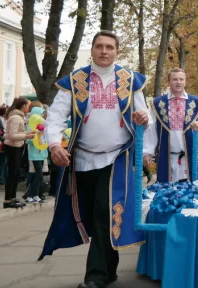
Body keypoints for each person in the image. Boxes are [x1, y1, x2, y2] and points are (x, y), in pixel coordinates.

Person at [40, 31, 150, 288]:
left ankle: (95, 277)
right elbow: (55, 118)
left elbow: (144, 112)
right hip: (81, 160)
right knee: (93, 215)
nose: (104, 51)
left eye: (109, 47)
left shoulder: (130, 80)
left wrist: (144, 118)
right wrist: (55, 144)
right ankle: (108, 270)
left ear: (116, 52)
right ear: (92, 49)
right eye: (99, 46)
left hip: (117, 158)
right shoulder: (75, 81)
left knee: (104, 212)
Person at [144, 68, 198, 183]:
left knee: (193, 194)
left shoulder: (196, 103)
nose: (178, 82)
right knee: (167, 195)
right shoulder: (157, 103)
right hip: (167, 158)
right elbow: (151, 130)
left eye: (181, 79)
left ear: (185, 81)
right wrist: (147, 152)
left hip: (191, 157)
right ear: (169, 82)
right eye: (174, 79)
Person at [3, 97, 32, 208]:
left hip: (17, 146)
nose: (28, 108)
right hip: (12, 147)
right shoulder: (15, 117)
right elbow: (12, 135)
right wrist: (26, 136)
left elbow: (18, 132)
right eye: (27, 105)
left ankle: (13, 198)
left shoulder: (19, 117)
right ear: (23, 106)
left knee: (16, 174)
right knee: (12, 173)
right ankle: (8, 199)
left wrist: (28, 133)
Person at [25, 105, 48, 203]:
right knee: (38, 174)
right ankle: (30, 195)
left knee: (39, 175)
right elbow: (28, 140)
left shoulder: (42, 125)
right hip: (34, 153)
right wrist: (36, 135)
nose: (43, 116)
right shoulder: (31, 125)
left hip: (42, 153)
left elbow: (44, 139)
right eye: (41, 114)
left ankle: (35, 195)